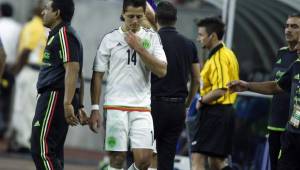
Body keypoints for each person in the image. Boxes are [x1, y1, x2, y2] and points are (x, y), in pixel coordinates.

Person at [89, 0, 167, 169]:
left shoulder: (152, 38)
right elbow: (97, 74)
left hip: (142, 108)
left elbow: (162, 70)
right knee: (117, 159)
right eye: (130, 16)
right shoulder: (109, 39)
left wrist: (140, 48)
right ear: (123, 14)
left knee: (144, 161)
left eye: (139, 17)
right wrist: (95, 107)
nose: (134, 21)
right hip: (115, 107)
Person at [30, 0, 87, 169]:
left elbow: (73, 68)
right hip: (55, 97)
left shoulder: (64, 34)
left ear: (57, 13)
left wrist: (69, 102)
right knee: (52, 152)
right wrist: (79, 103)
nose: (42, 12)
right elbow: (77, 72)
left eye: (46, 9)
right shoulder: (60, 34)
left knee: (42, 149)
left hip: (54, 96)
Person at [227, 38, 300, 169]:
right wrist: (247, 86)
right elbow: (276, 87)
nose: (296, 48)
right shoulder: (296, 66)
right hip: (292, 134)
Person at [150, 1, 200, 170]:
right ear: (176, 19)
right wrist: (187, 102)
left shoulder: (152, 41)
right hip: (177, 107)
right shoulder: (189, 44)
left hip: (153, 105)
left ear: (156, 18)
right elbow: (196, 79)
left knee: (141, 153)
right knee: (167, 156)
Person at [191, 17, 239, 170]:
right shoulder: (226, 53)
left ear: (212, 36)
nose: (198, 39)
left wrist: (202, 101)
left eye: (201, 35)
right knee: (216, 163)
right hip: (222, 113)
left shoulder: (219, 57)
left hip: (215, 113)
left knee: (197, 157)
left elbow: (221, 89)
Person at [7, 0, 48, 153]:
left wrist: (16, 69)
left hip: (30, 71)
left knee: (23, 106)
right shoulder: (39, 27)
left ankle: (23, 140)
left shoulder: (33, 26)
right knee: (26, 106)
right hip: (32, 71)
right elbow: (25, 50)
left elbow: (24, 50)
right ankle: (22, 140)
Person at [267, 13, 300, 170]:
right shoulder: (282, 52)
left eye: (294, 26)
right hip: (275, 123)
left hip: (293, 128)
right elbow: (276, 85)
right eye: (287, 26)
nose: (288, 30)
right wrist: (246, 85)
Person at [0, 2, 21, 136]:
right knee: (6, 99)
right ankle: (3, 128)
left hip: (1, 63)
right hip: (10, 68)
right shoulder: (18, 28)